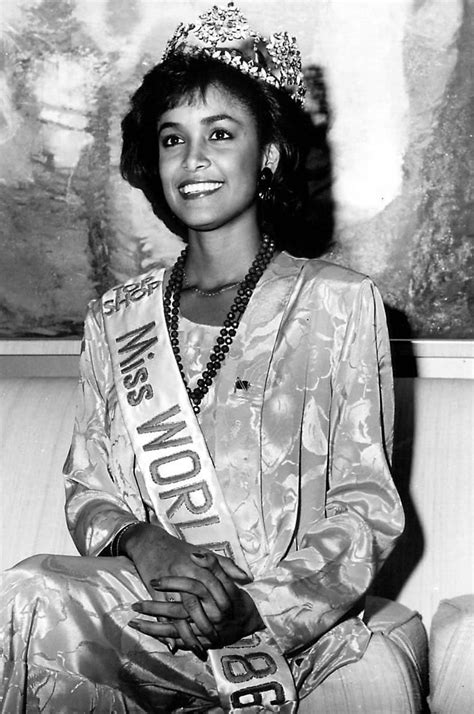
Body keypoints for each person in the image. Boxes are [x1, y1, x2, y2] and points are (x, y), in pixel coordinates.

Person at [0, 3, 427, 712]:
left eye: (220, 134)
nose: (193, 159)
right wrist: (144, 541)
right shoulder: (115, 318)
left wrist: (254, 608)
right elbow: (91, 483)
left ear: (269, 154)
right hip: (154, 613)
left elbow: (366, 506)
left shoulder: (338, 302)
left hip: (295, 625)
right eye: (173, 138)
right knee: (29, 595)